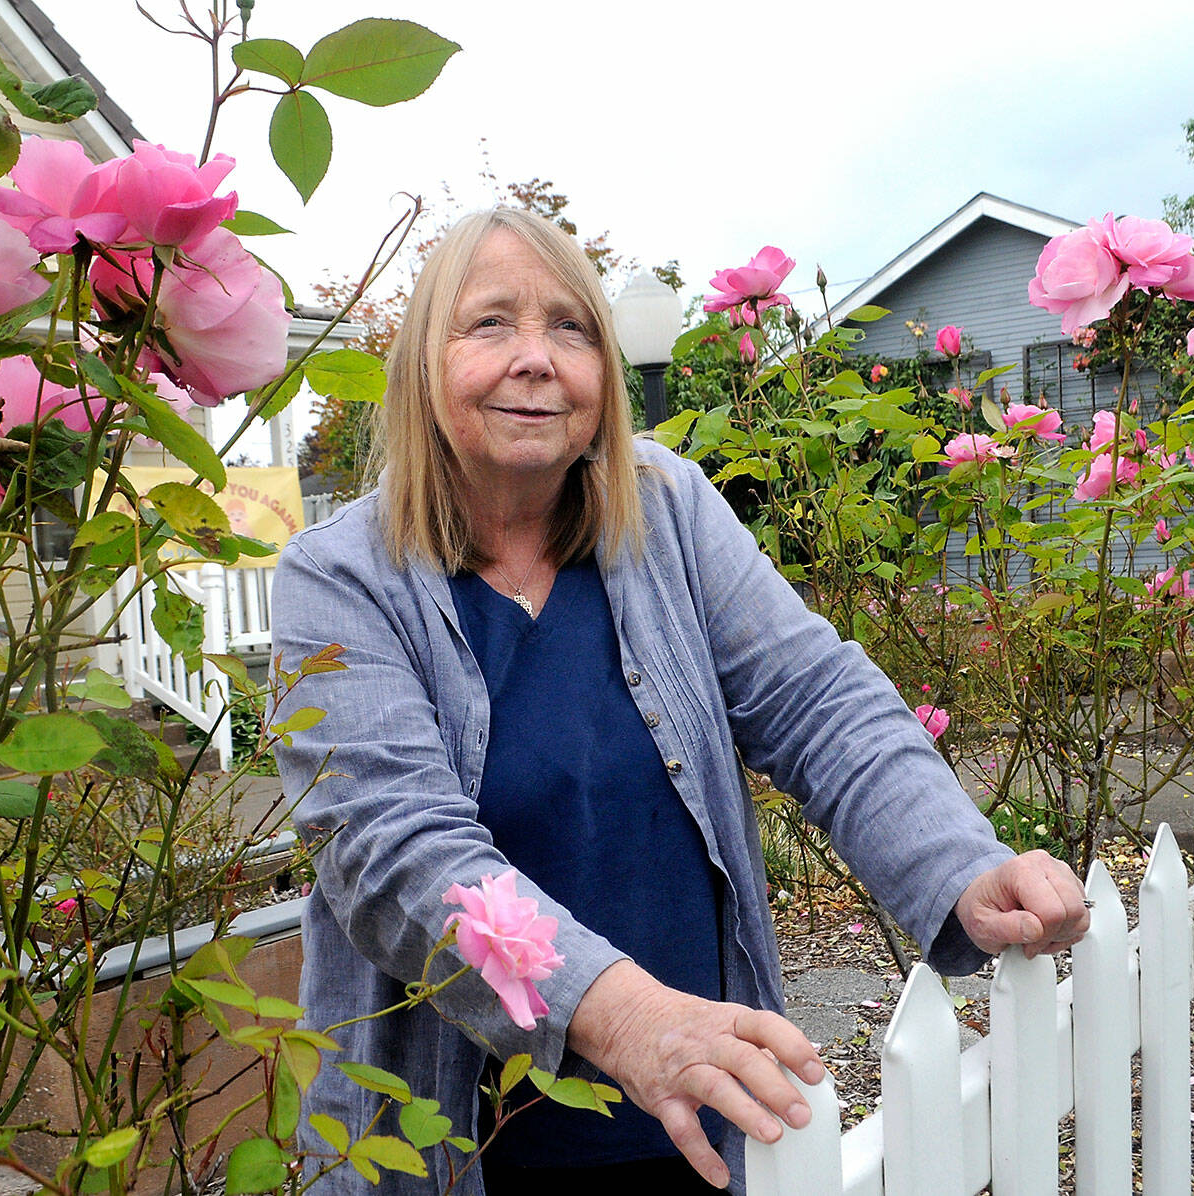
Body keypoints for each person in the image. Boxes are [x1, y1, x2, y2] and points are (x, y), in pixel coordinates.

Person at [268, 208, 1089, 1195]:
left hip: (695, 1119)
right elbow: (393, 851)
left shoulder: (666, 512)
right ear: (420, 366)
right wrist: (621, 1014)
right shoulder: (338, 576)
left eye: (571, 327)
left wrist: (962, 865)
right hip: (457, 1151)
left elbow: (818, 703)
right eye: (489, 323)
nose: (537, 358)